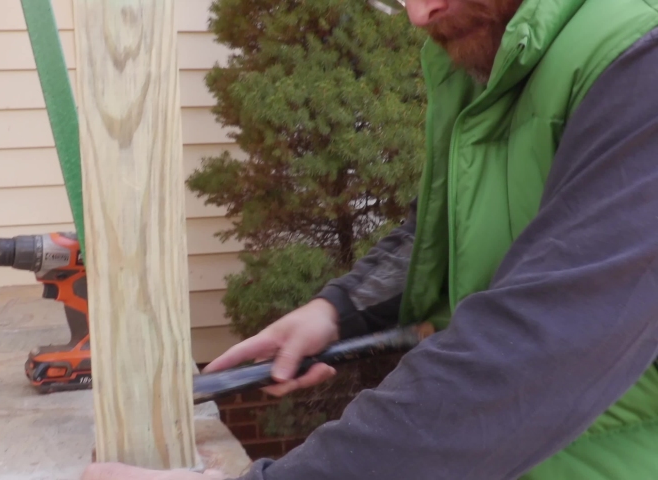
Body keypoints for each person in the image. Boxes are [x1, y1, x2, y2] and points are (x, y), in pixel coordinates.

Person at [83, 0, 658, 478]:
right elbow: (445, 230)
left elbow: (539, 350)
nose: (419, 14)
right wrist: (339, 309)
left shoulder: (639, 56)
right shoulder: (491, 56)